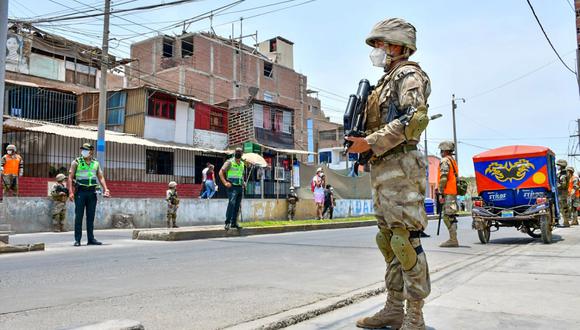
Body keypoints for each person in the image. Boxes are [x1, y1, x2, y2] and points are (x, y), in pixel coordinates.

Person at [346, 18, 431, 329]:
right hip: (382, 168)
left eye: (381, 44)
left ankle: (415, 316)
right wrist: (363, 148)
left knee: (404, 241)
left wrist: (369, 142)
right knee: (388, 240)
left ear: (398, 46)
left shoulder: (409, 75)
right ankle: (394, 308)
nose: (377, 51)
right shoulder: (384, 82)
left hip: (402, 169)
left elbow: (414, 120)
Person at [68, 143, 110, 246]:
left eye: (86, 150)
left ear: (91, 151)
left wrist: (106, 189)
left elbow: (100, 177)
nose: (83, 151)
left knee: (90, 217)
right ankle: (77, 240)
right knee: (79, 216)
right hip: (80, 192)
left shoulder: (95, 163)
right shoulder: (76, 162)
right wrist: (70, 192)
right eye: (82, 149)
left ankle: (91, 239)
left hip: (92, 192)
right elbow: (70, 177)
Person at [438, 141, 460, 248]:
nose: (440, 152)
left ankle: (453, 240)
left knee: (448, 217)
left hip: (448, 194)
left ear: (445, 150)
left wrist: (440, 192)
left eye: (441, 150)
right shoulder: (452, 161)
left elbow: (443, 178)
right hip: (453, 194)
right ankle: (453, 238)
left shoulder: (445, 161)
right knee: (452, 216)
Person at [219, 147, 245, 230]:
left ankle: (234, 223)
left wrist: (243, 182)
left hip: (239, 187)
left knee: (237, 206)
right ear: (234, 152)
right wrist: (225, 182)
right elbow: (221, 172)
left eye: (240, 152)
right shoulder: (229, 162)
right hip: (232, 187)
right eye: (237, 151)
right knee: (231, 204)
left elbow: (241, 175)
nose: (238, 153)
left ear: (242, 153)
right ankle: (227, 222)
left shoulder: (242, 164)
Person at [556, 159, 570, 227]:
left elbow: (563, 185)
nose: (558, 166)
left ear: (562, 166)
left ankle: (566, 222)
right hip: (561, 193)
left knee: (564, 208)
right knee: (562, 208)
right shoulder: (560, 173)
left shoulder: (564, 174)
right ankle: (565, 221)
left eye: (558, 165)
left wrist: (556, 185)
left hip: (562, 193)